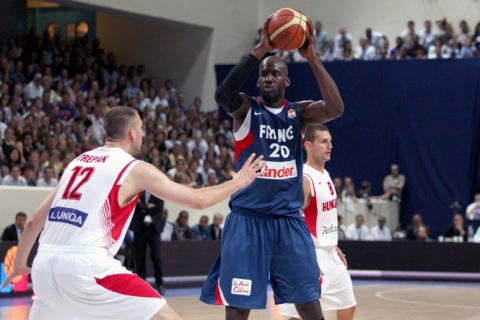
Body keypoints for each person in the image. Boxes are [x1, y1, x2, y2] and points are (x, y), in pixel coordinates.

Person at [3, 106, 263, 320]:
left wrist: (19, 265)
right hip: (87, 267)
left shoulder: (77, 163)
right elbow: (198, 200)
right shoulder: (134, 168)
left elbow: (35, 221)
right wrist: (238, 182)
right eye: (141, 128)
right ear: (131, 133)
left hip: (44, 267)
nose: (143, 133)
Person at [200, 18, 344, 320]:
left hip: (288, 222)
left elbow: (335, 109)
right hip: (248, 221)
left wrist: (313, 58)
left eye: (275, 73)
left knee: (308, 303)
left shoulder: (299, 113)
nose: (267, 77)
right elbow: (222, 96)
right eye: (263, 73)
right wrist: (259, 51)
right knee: (239, 307)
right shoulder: (246, 109)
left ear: (286, 82)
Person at [278, 124, 356, 320]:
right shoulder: (305, 178)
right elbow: (292, 219)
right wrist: (303, 251)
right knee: (300, 315)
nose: (329, 146)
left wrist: (333, 244)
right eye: (323, 142)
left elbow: (323, 216)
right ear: (308, 146)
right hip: (311, 256)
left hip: (331, 253)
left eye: (330, 141)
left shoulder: (325, 174)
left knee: (348, 304)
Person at [131, 190, 165, 294]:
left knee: (157, 257)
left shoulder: (158, 191)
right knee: (139, 258)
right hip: (139, 228)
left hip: (154, 229)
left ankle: (160, 284)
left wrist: (143, 207)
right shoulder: (137, 190)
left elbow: (159, 207)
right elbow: (135, 205)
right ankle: (141, 285)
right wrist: (148, 206)